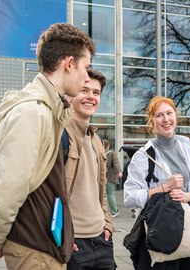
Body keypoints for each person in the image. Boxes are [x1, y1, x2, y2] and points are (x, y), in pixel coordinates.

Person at [0, 23, 95, 269]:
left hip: (45, 242)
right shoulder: (33, 113)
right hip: (34, 248)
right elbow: (9, 186)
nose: (86, 77)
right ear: (69, 63)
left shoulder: (49, 111)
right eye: (86, 67)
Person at [124, 96, 190, 269]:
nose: (165, 119)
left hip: (187, 231)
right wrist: (163, 188)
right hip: (158, 233)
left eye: (169, 113)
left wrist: (188, 196)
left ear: (176, 116)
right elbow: (129, 197)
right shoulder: (143, 156)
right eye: (159, 115)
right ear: (152, 122)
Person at [64, 69, 116, 270]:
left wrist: (107, 224)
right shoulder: (59, 134)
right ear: (70, 94)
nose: (91, 97)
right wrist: (60, 236)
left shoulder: (95, 138)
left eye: (96, 93)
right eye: (84, 90)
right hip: (73, 243)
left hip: (101, 240)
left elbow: (100, 190)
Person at [104, 138, 123, 217]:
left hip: (107, 178)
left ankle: (113, 211)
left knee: (108, 194)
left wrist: (119, 171)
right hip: (109, 178)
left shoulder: (108, 154)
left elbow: (116, 163)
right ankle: (113, 211)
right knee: (109, 194)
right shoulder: (110, 154)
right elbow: (116, 163)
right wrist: (119, 172)